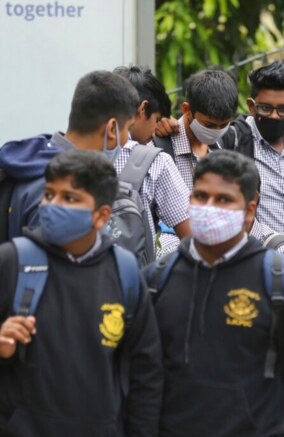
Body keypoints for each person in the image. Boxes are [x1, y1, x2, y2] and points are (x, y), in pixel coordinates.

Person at [150, 150, 284, 436]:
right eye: (201, 197)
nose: (209, 208)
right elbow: (134, 372)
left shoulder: (281, 281)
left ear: (249, 209)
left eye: (223, 199)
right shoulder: (157, 279)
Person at [0, 150, 162, 436]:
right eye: (49, 195)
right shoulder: (12, 262)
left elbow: (145, 374)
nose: (53, 206)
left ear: (101, 216)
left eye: (70, 199)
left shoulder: (124, 273)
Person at [0, 70, 138, 241]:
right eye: (128, 129)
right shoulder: (63, 191)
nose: (128, 139)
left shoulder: (27, 160)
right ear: (111, 129)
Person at [113, 65, 191, 251]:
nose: (156, 131)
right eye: (156, 120)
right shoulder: (155, 162)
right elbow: (193, 238)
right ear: (143, 108)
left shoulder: (70, 151)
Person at [244, 59, 284, 233]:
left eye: (283, 109)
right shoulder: (237, 142)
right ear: (251, 106)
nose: (275, 116)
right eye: (265, 108)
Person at [153, 69, 238, 191]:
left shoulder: (225, 143)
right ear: (187, 110)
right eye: (208, 125)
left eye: (224, 124)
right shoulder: (162, 146)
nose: (217, 131)